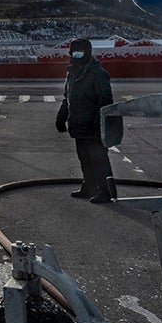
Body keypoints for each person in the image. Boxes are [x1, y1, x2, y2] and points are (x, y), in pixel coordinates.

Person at [55, 38, 115, 204]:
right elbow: (67, 97)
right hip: (78, 125)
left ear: (88, 53)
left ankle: (105, 191)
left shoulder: (98, 74)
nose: (76, 55)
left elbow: (105, 100)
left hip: (93, 127)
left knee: (99, 160)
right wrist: (62, 117)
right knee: (85, 159)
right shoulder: (72, 73)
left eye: (80, 52)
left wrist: (98, 124)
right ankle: (89, 187)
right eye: (74, 52)